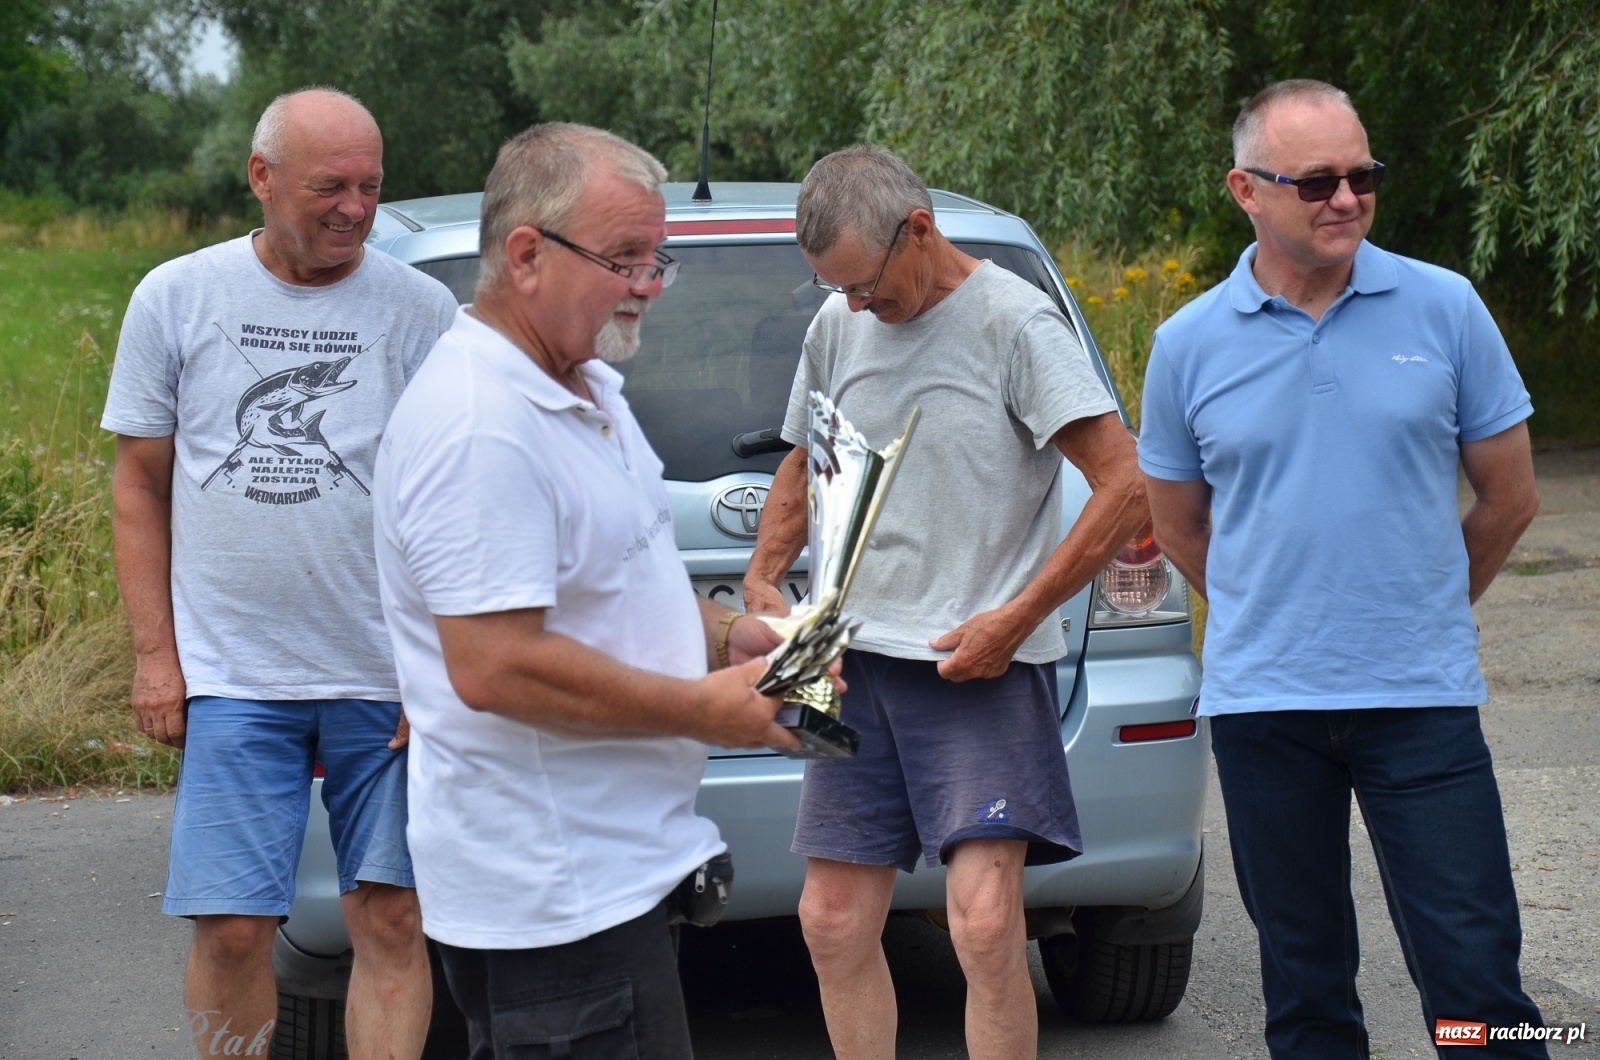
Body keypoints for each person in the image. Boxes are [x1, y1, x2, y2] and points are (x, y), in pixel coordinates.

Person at [371, 122, 810, 1059]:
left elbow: (618, 580)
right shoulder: (481, 425)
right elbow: (494, 665)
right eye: (625, 259)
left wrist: (722, 636)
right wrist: (703, 710)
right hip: (553, 901)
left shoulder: (586, 385)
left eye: (657, 259)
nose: (649, 285)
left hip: (615, 879)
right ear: (527, 254)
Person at [1137, 79, 1547, 1059]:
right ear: (1245, 190)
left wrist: (1420, 605)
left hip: (1421, 702)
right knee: (1306, 992)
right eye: (1316, 182)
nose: (1347, 199)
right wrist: (1274, 611)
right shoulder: (1186, 345)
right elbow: (1178, 525)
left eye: (1363, 176)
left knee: (1478, 985)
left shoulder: (1444, 307)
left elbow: (1510, 497)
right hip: (1265, 712)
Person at [742, 144, 1147, 1060]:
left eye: (865, 285)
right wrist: (767, 574)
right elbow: (807, 457)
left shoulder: (1016, 322)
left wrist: (1018, 618)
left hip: (976, 660)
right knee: (830, 921)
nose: (854, 306)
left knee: (985, 924)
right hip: (841, 656)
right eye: (835, 288)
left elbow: (1127, 485)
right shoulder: (837, 324)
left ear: (918, 231)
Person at [102, 87, 458, 1059]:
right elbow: (139, 484)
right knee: (231, 925)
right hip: (234, 673)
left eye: (370, 187)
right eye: (329, 186)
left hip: (384, 674)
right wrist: (156, 657)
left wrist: (438, 667)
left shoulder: (421, 311)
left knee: (390, 916)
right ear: (261, 177)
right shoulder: (177, 296)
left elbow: (455, 501)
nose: (354, 208)